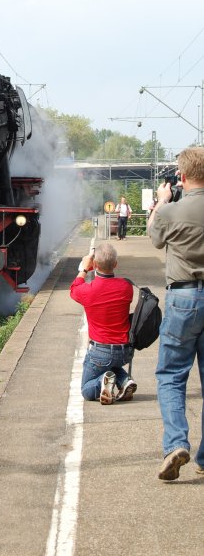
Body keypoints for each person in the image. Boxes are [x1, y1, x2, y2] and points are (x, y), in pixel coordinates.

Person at [148, 146, 204, 481]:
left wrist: (162, 201)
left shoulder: (171, 211)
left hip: (183, 297)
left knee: (171, 375)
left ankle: (175, 445)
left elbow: (153, 237)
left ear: (181, 176)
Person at [70, 241, 137, 404]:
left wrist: (84, 268)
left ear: (94, 265)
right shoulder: (127, 287)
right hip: (124, 351)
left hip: (100, 352)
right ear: (115, 264)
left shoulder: (87, 291)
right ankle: (124, 381)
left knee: (86, 389)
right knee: (112, 363)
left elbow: (74, 289)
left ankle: (102, 382)